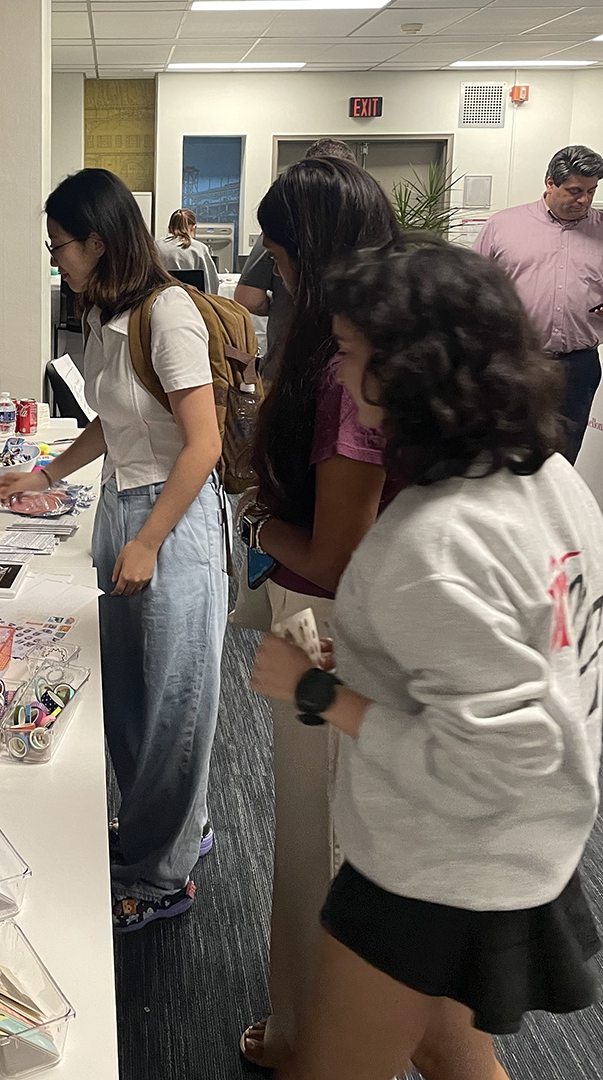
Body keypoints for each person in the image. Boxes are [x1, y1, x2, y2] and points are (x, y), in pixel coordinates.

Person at [251, 237, 603, 1080]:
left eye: (349, 352)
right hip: (519, 846)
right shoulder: (548, 477)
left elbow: (497, 753)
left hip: (436, 862)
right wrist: (379, 662)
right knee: (451, 1051)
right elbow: (522, 650)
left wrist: (322, 695)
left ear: (407, 371)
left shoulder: (433, 543)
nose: (338, 371)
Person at [0, 168, 228, 932]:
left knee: (174, 706)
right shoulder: (104, 317)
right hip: (122, 513)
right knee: (129, 700)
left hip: (172, 520)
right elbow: (114, 422)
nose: (54, 258)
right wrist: (47, 474)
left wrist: (151, 540)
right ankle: (166, 832)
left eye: (61, 245)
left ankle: (162, 878)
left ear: (98, 241)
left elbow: (204, 444)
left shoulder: (170, 316)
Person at [237, 156, 400, 1067]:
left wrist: (260, 519)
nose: (274, 271)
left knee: (319, 842)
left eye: (278, 252)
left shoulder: (354, 371)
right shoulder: (377, 347)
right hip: (339, 626)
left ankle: (315, 1041)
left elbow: (336, 555)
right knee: (324, 837)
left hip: (327, 634)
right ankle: (312, 1029)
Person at [474, 144, 603, 463]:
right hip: (515, 360)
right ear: (549, 182)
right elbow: (471, 288)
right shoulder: (503, 225)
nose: (584, 200)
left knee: (563, 456)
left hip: (578, 365)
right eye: (574, 190)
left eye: (591, 190)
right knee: (506, 451)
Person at [235, 139, 357, 383]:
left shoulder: (282, 227)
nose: (279, 273)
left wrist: (280, 307)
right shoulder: (372, 235)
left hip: (287, 372)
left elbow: (247, 297)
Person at [155, 208, 219, 294]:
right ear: (194, 227)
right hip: (192, 300)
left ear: (169, 227)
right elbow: (211, 282)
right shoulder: (200, 248)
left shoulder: (155, 246)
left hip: (160, 298)